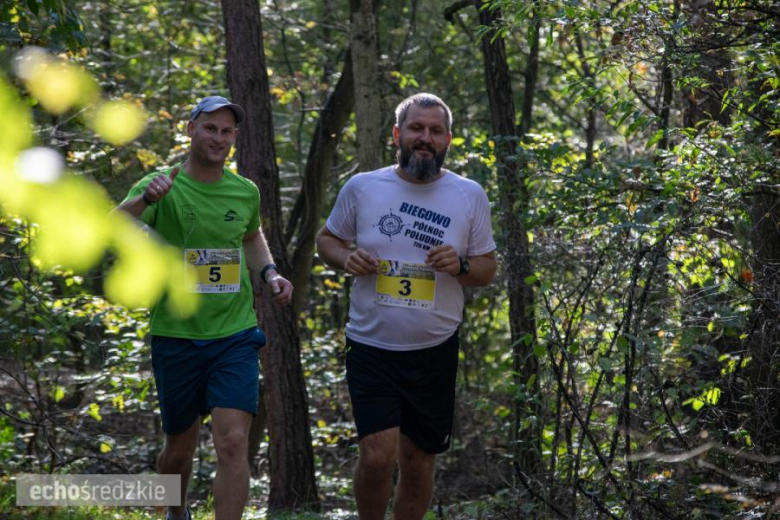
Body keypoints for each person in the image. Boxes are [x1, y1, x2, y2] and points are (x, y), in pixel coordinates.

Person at [316, 93, 497, 520]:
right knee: (378, 457)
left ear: (448, 140)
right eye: (417, 128)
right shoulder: (363, 187)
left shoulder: (469, 195)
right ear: (398, 134)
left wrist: (462, 264)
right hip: (371, 347)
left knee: (418, 462)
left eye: (435, 131)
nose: (425, 138)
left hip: (434, 349)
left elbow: (487, 268)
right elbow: (328, 240)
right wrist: (347, 259)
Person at [115, 96, 292, 520]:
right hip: (176, 336)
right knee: (179, 448)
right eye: (210, 128)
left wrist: (269, 273)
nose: (219, 138)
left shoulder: (244, 190)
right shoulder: (163, 183)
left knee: (232, 442)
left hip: (233, 336)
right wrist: (144, 201)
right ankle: (176, 512)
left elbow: (251, 237)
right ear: (190, 129)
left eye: (227, 131)